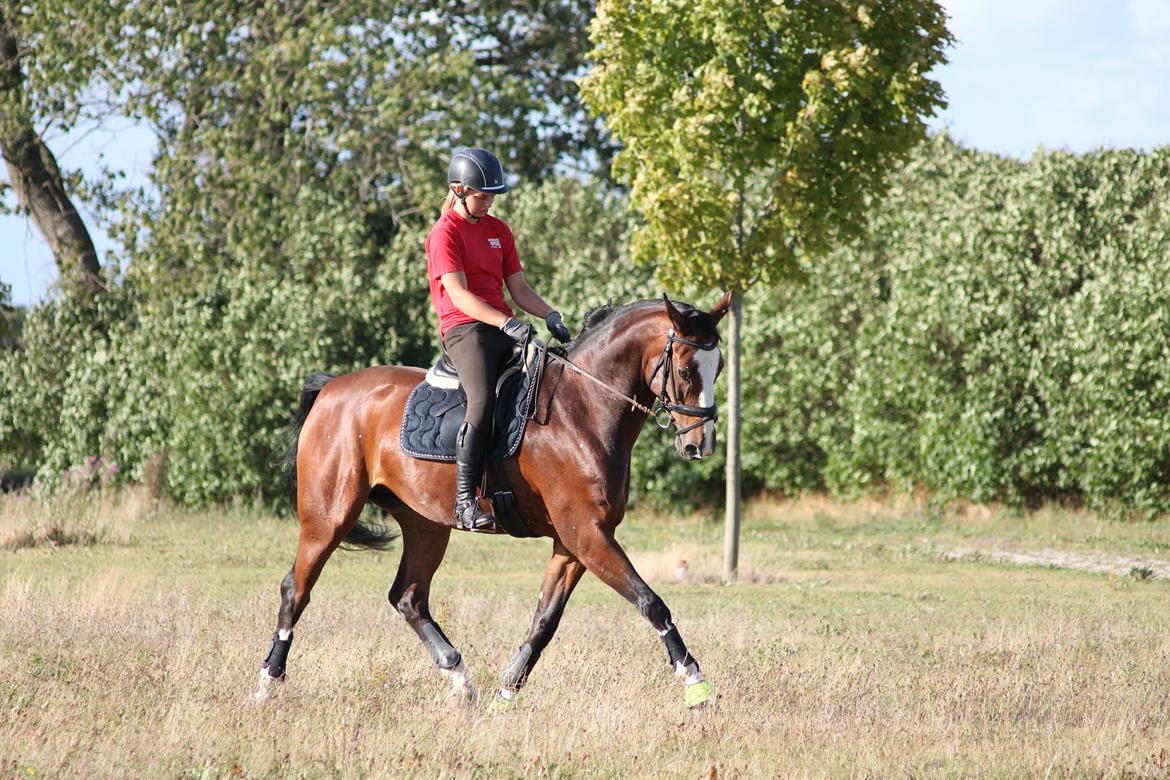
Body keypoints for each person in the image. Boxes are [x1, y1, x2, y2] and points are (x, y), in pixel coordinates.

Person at [425, 147, 572, 530]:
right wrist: (506, 325)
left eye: (492, 195)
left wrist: (549, 314)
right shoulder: (443, 234)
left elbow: (519, 289)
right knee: (482, 399)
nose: (488, 202)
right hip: (464, 329)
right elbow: (458, 295)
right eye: (482, 195)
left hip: (499, 324)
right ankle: (464, 501)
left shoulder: (498, 231)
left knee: (549, 379)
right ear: (458, 189)